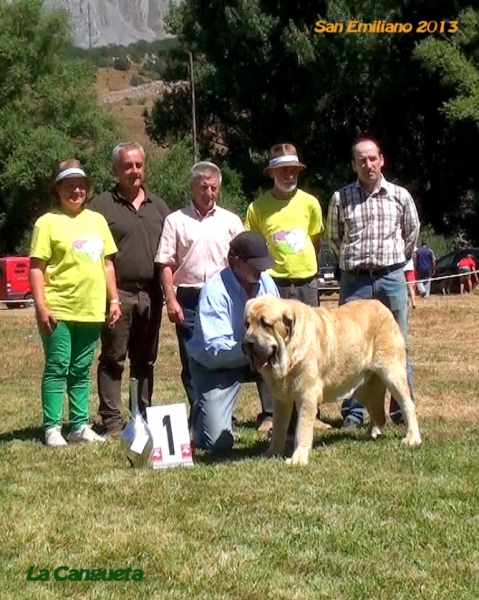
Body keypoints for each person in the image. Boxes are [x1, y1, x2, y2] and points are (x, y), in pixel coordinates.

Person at [327, 137, 420, 429]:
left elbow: (411, 235)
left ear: (382, 160)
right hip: (355, 282)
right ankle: (354, 414)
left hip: (391, 278)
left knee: (396, 347)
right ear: (353, 164)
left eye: (373, 158)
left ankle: (401, 411)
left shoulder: (400, 196)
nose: (368, 165)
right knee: (350, 349)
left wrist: (395, 265)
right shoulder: (340, 198)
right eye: (361, 160)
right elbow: (334, 239)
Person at [29, 159, 121, 447]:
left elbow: (107, 264)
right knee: (58, 366)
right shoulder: (47, 223)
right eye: (69, 186)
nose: (77, 191)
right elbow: (36, 268)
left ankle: (79, 425)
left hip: (91, 309)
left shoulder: (97, 221)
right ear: (57, 190)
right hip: (58, 309)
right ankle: (52, 427)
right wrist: (41, 305)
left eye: (81, 186)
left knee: (81, 369)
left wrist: (114, 299)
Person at [245, 143, 330, 430]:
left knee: (309, 348)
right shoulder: (257, 208)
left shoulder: (310, 203)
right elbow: (254, 246)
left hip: (306, 283)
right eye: (283, 170)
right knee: (264, 347)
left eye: (293, 169)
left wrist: (306, 270)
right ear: (272, 173)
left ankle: (311, 414)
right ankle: (270, 413)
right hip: (274, 287)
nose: (289, 174)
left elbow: (316, 241)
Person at [88, 142, 170, 436]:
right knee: (113, 358)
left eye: (138, 165)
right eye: (127, 166)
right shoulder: (100, 207)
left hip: (152, 293)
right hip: (117, 294)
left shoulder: (158, 206)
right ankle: (111, 421)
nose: (134, 171)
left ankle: (142, 415)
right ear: (115, 170)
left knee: (145, 358)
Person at [155, 161, 244, 425]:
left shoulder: (231, 220)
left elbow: (242, 261)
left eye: (214, 188)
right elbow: (166, 263)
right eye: (203, 187)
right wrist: (170, 299)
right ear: (192, 188)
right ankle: (200, 412)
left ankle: (224, 415)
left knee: (224, 354)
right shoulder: (175, 220)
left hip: (223, 297)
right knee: (192, 358)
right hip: (189, 297)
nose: (209, 193)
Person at [188, 232, 279, 452]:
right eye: (255, 264)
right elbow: (216, 348)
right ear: (235, 261)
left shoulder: (266, 282)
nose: (262, 269)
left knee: (293, 372)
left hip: (259, 358)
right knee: (218, 444)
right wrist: (255, 349)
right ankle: (200, 422)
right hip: (217, 365)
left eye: (263, 263)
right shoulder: (214, 292)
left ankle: (288, 427)